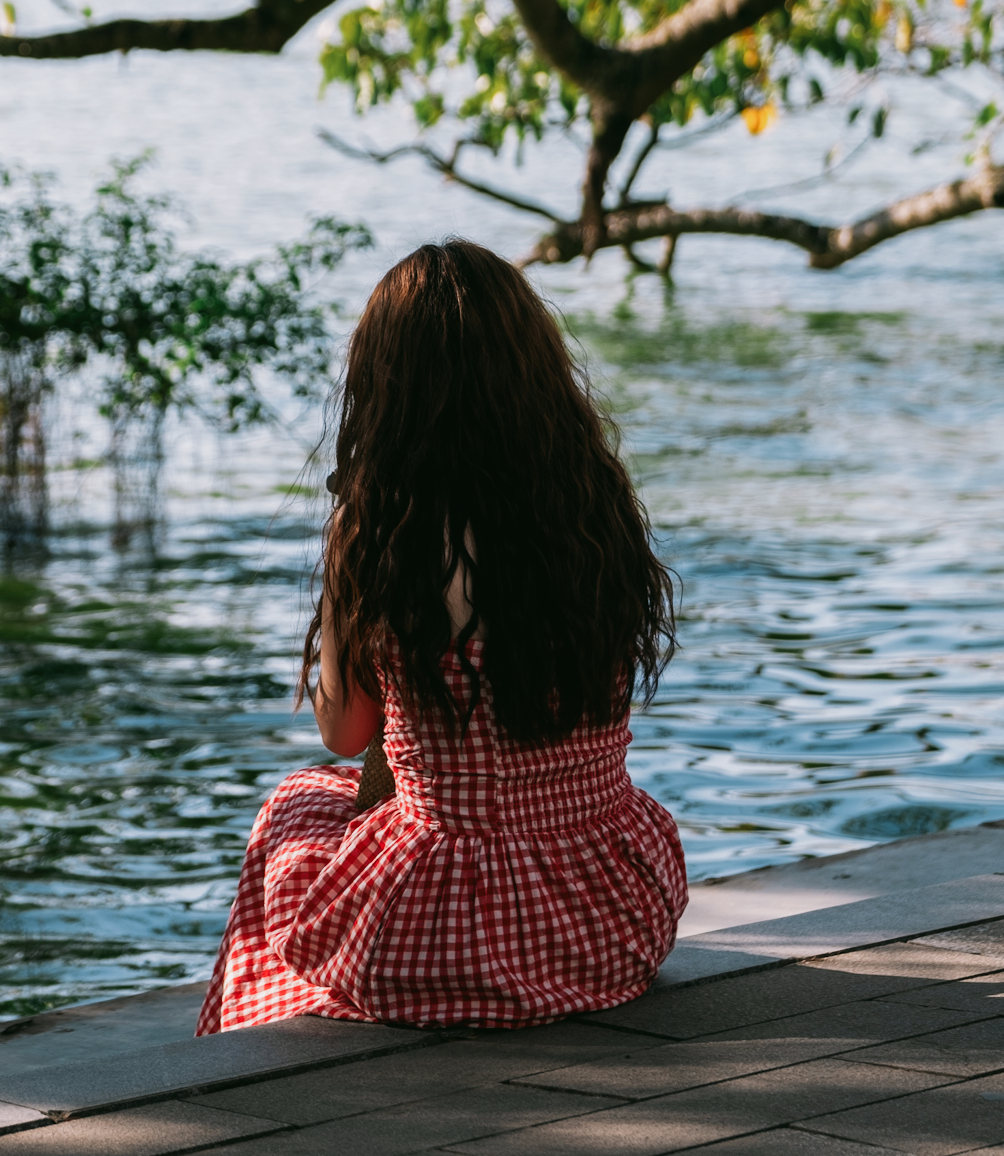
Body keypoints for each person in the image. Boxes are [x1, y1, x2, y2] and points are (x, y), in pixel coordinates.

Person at [196, 239, 685, 1034]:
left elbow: (345, 733)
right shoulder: (595, 507)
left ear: (386, 389)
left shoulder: (385, 531)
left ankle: (254, 1048)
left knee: (294, 806)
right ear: (535, 371)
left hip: (435, 924)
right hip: (608, 915)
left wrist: (342, 568)